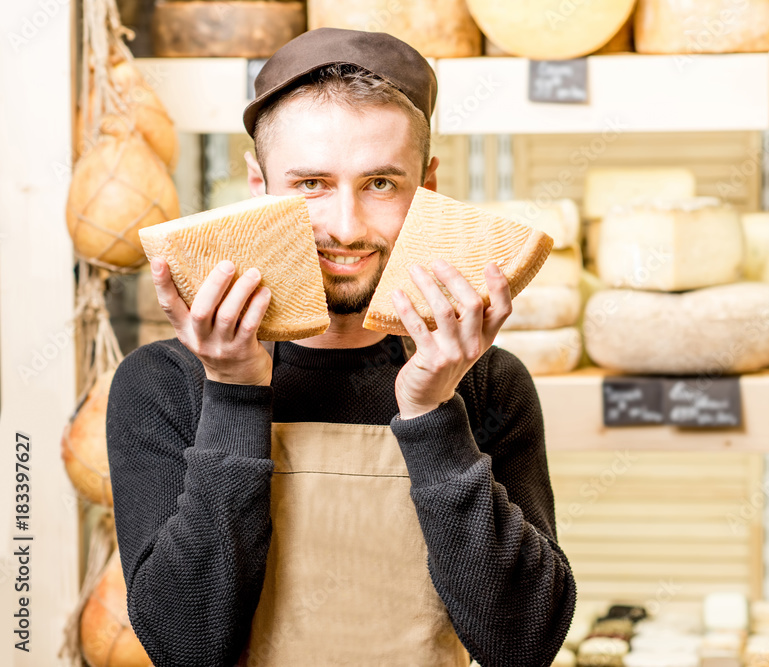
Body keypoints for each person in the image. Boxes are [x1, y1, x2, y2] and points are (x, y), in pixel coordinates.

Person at [106, 27, 576, 667]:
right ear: (258, 183)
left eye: (381, 183)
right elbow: (184, 647)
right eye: (311, 185)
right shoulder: (164, 382)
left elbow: (522, 645)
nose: (347, 228)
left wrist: (432, 410)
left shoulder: (486, 380)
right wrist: (235, 391)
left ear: (427, 185)